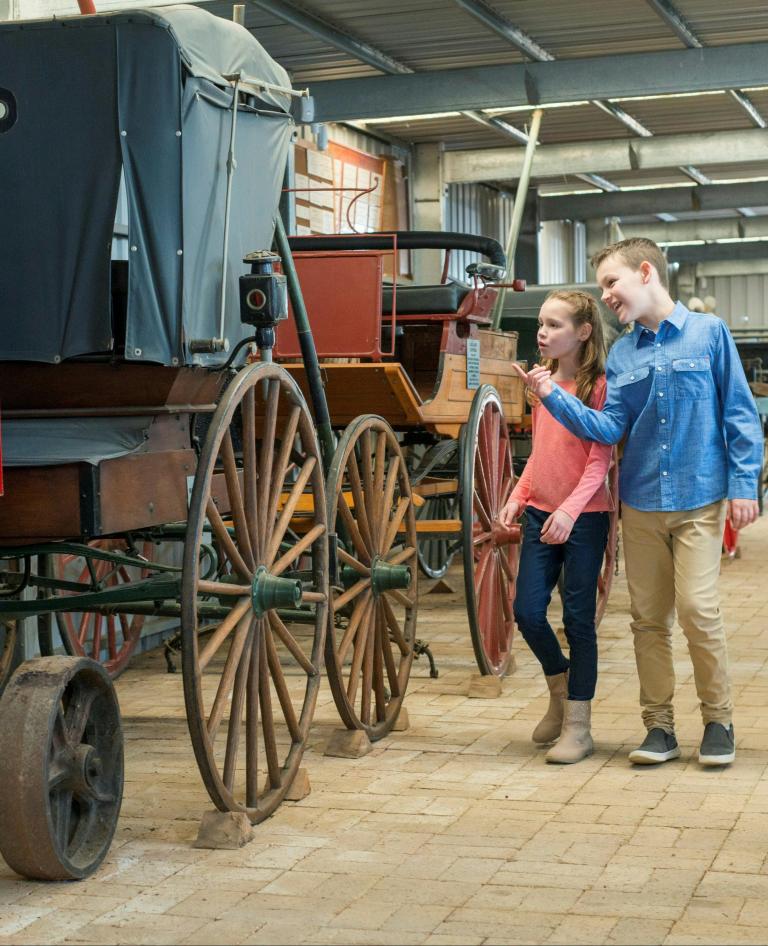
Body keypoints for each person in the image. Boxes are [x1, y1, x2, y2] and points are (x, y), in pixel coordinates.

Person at [514, 238, 762, 767]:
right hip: (641, 502)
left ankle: (718, 721)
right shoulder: (624, 353)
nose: (605, 296)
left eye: (611, 283)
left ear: (645, 272)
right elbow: (608, 428)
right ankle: (660, 729)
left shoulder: (709, 334)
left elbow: (740, 414)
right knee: (648, 620)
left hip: (699, 498)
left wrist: (745, 486)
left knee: (698, 609)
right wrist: (554, 398)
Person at [500, 289, 613, 764]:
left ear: (583, 332)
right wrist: (518, 496)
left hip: (585, 517)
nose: (542, 332)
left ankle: (579, 727)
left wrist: (569, 510)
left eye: (554, 325)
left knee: (577, 619)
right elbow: (540, 454)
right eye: (541, 323)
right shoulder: (540, 384)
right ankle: (559, 688)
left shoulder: (598, 387)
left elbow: (598, 461)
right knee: (526, 611)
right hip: (540, 513)